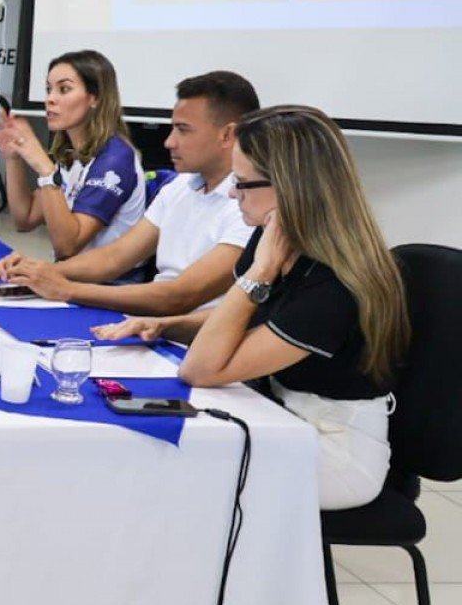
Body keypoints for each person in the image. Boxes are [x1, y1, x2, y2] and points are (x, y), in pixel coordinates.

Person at [95, 106, 409, 509]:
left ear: (290, 187)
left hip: (336, 450)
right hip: (280, 414)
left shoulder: (334, 283)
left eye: (241, 182)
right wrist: (166, 325)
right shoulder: (278, 240)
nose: (230, 193)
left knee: (170, 477)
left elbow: (202, 369)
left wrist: (259, 273)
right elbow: (252, 321)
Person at [0, 71, 259, 314]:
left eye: (183, 130)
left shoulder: (253, 205)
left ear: (227, 135)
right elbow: (114, 258)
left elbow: (180, 296)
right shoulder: (179, 187)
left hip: (189, 342)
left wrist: (66, 289)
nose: (168, 142)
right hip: (149, 324)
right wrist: (39, 272)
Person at [0, 49, 145, 259]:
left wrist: (45, 169)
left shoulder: (114, 159)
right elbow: (25, 218)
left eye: (64, 89)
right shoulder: (71, 154)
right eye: (48, 89)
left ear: (95, 98)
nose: (50, 99)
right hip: (69, 279)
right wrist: (13, 159)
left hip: (106, 287)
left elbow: (67, 246)